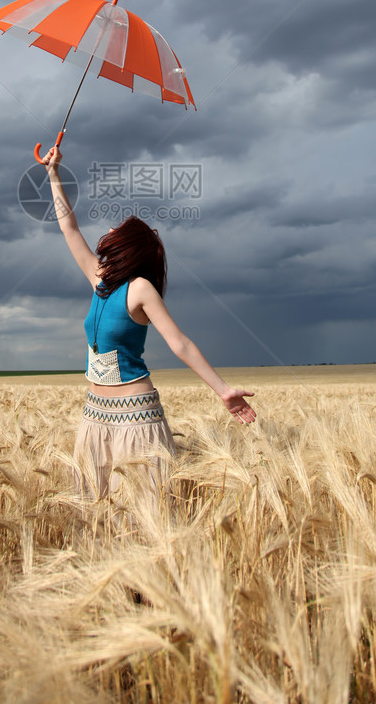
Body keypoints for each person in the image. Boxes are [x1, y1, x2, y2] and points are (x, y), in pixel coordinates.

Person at [43, 145, 256, 501]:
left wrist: (224, 391)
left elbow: (180, 343)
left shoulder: (140, 289)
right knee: (96, 514)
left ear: (128, 245)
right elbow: (68, 226)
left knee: (144, 513)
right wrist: (52, 172)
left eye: (119, 227)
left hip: (135, 420)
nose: (110, 227)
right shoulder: (100, 280)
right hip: (94, 416)